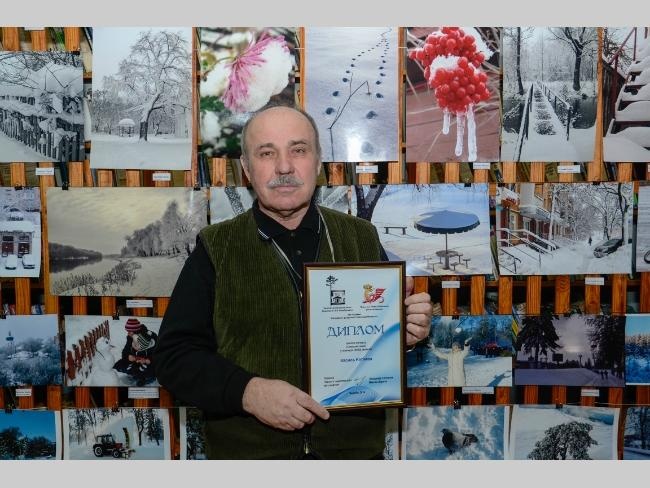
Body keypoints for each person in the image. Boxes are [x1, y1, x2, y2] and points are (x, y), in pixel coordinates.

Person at [154, 105, 433, 460]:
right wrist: (248, 392)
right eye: (266, 153)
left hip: (351, 457)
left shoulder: (361, 238)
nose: (284, 167)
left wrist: (402, 334)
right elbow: (174, 358)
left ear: (318, 163)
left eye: (298, 150)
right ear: (247, 169)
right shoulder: (217, 247)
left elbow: (374, 344)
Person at [113, 317, 158, 386]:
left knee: (147, 369)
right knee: (119, 365)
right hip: (137, 361)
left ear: (136, 331)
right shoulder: (131, 337)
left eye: (129, 331)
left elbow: (158, 355)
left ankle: (149, 377)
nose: (128, 333)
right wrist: (128, 357)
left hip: (149, 363)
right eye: (127, 331)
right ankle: (137, 374)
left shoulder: (151, 338)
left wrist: (148, 360)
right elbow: (125, 351)